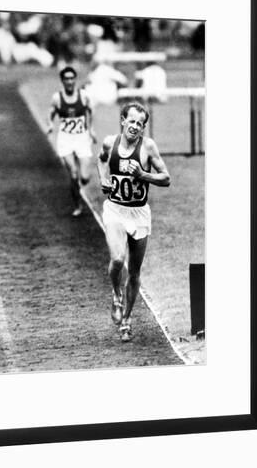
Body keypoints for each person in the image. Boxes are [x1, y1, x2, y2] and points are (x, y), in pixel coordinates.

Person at [97, 102, 170, 342]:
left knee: (135, 271)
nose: (135, 126)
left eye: (140, 124)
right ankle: (116, 293)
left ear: (143, 128)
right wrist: (103, 179)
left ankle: (127, 320)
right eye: (132, 121)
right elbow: (101, 158)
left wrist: (142, 175)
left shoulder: (148, 147)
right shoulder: (111, 142)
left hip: (139, 213)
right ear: (122, 120)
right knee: (118, 259)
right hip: (116, 210)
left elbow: (166, 178)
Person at [47, 66, 96, 217]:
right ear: (62, 81)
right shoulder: (57, 98)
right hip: (65, 139)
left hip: (81, 138)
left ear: (75, 79)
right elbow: (51, 113)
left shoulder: (84, 96)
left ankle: (79, 185)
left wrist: (91, 129)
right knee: (73, 174)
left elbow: (90, 111)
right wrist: (50, 125)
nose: (69, 81)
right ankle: (78, 205)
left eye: (71, 78)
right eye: (66, 78)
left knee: (85, 177)